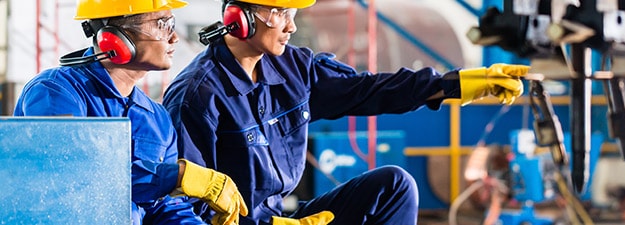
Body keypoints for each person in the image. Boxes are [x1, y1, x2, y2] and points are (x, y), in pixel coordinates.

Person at [162, 0, 530, 224]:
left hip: (287, 217)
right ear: (237, 17)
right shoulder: (199, 95)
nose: (291, 26)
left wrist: (453, 84)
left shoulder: (294, 67)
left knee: (394, 186)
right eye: (278, 13)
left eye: (292, 13)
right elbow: (187, 209)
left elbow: (367, 90)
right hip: (246, 224)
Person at [13, 0, 248, 224]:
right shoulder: (56, 92)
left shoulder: (156, 118)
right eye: (162, 25)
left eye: (172, 25)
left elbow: (163, 207)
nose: (174, 37)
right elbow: (73, 173)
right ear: (115, 39)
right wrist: (176, 176)